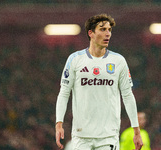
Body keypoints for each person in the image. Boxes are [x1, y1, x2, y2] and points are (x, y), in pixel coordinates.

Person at [55, 13, 143, 150]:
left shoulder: (118, 61)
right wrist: (58, 123)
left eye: (109, 30)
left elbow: (127, 95)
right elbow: (64, 93)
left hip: (108, 135)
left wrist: (136, 131)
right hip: (81, 136)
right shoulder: (75, 59)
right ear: (91, 33)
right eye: (103, 29)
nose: (108, 33)